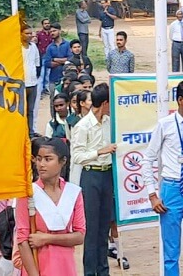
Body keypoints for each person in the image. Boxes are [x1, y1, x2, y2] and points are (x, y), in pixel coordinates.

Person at [142, 79, 183, 276]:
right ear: (180, 100)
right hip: (171, 188)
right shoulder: (165, 125)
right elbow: (148, 159)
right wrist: (152, 195)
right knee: (171, 252)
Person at [17, 138, 86, 276]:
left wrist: (46, 239)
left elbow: (79, 236)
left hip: (66, 267)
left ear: (63, 161)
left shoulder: (73, 192)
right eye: (38, 159)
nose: (41, 164)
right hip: (38, 267)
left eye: (48, 159)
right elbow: (22, 240)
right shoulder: (28, 193)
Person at [71, 83, 116, 276]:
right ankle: (90, 272)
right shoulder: (83, 126)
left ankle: (103, 271)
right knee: (91, 228)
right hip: (90, 176)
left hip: (107, 175)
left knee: (104, 225)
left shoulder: (109, 122)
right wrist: (99, 152)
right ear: (105, 103)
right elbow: (77, 156)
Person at [42, 23, 72, 118]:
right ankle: (54, 120)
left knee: (68, 100)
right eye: (50, 32)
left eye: (54, 31)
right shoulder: (50, 47)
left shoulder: (67, 44)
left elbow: (70, 59)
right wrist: (63, 60)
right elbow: (47, 63)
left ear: (60, 31)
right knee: (53, 101)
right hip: (53, 79)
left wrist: (55, 59)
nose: (52, 33)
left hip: (67, 78)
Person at [21, 22, 40, 134]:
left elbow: (37, 62)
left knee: (31, 110)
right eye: (26, 33)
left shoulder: (34, 47)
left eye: (30, 34)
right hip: (21, 84)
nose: (29, 36)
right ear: (21, 34)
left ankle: (30, 132)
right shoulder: (17, 48)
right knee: (21, 109)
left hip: (33, 83)